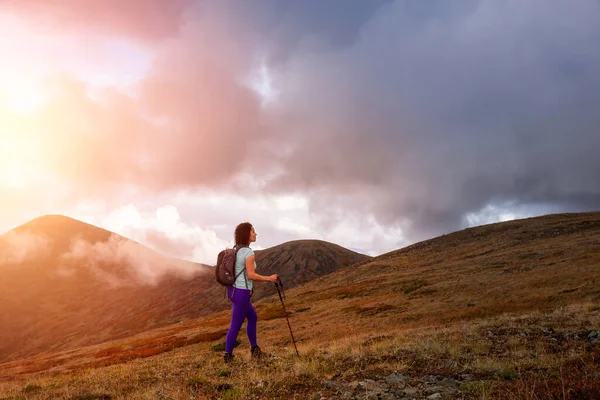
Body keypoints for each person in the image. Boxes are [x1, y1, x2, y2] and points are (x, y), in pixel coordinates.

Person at [224, 222, 278, 363]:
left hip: (233, 291)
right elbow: (251, 275)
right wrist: (270, 278)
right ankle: (228, 356)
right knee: (235, 325)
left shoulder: (236, 250)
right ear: (247, 234)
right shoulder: (248, 252)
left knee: (252, 317)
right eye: (253, 231)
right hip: (242, 293)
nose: (255, 234)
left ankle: (255, 349)